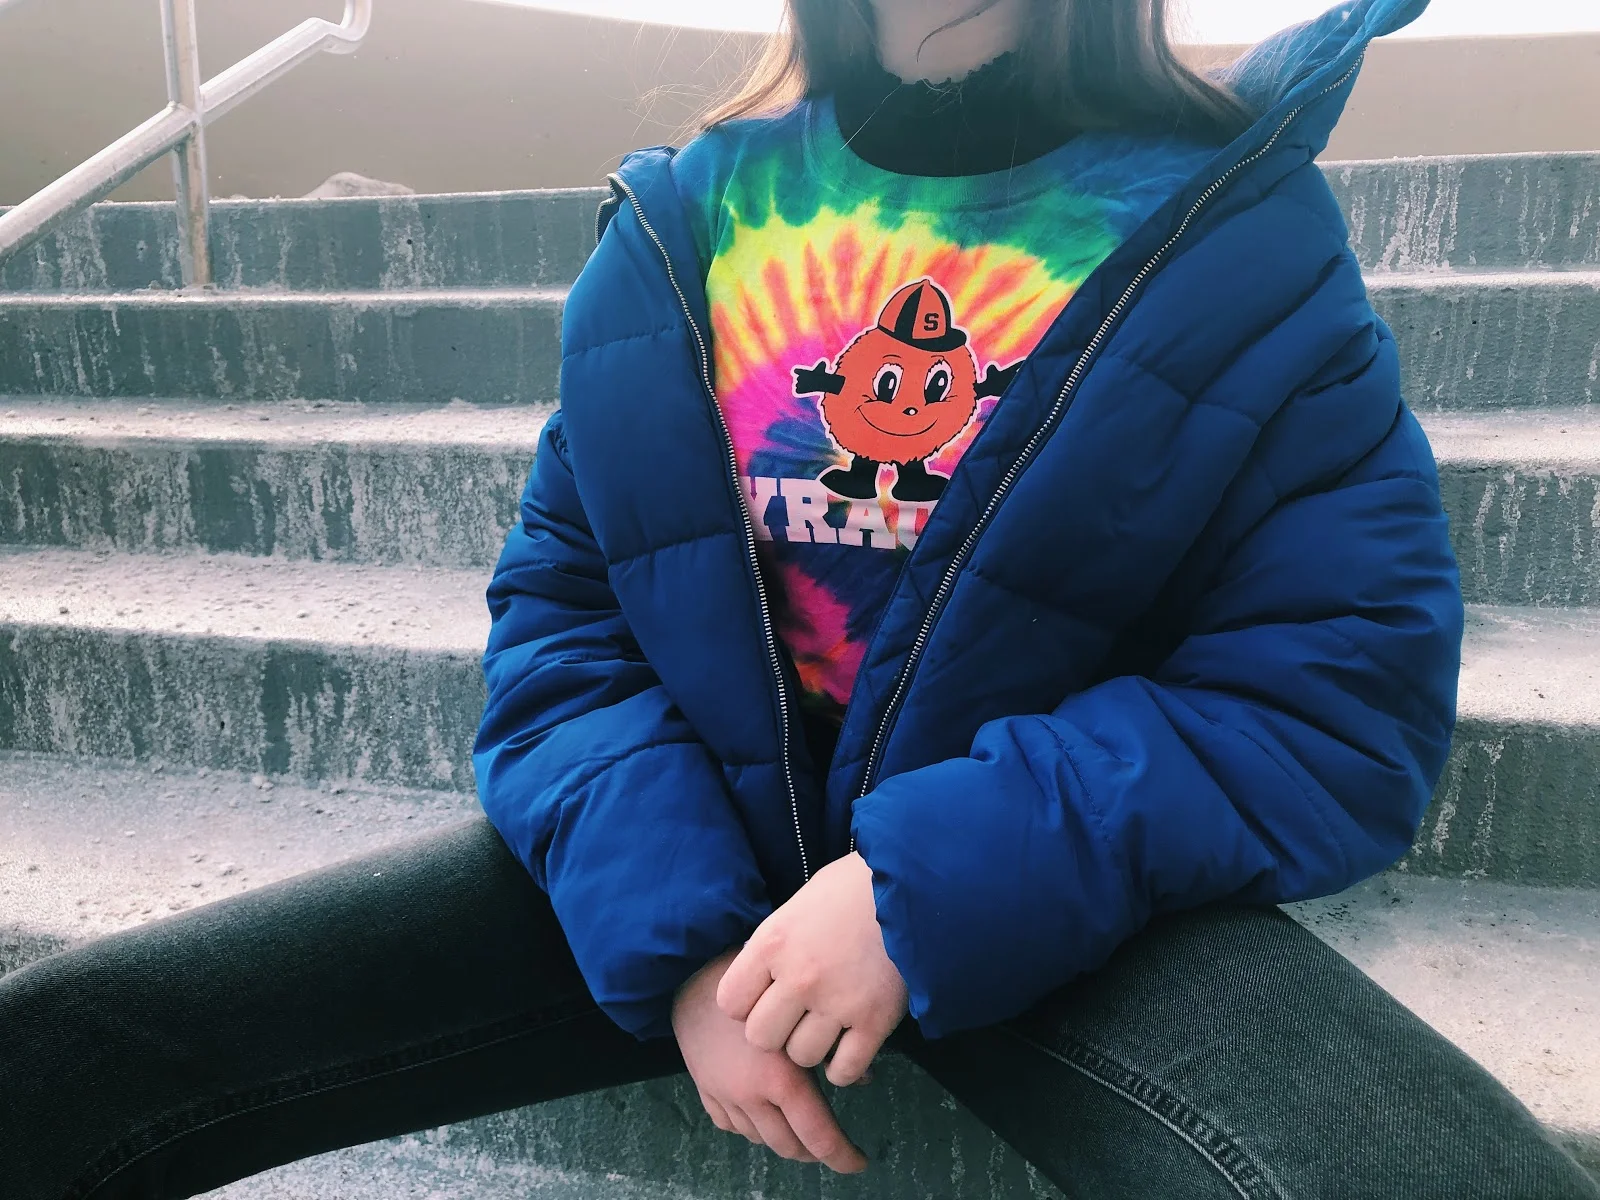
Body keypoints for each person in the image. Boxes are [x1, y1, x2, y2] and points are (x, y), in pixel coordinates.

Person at [2, 0, 1596, 1197]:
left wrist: (917, 889)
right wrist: (685, 943)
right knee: (62, 1056)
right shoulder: (686, 214)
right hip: (693, 851)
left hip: (1054, 885)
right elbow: (565, 617)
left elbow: (1336, 691)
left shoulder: (1235, 232)